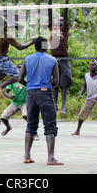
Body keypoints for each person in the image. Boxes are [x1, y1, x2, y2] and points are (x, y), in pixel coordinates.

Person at [18, 36, 63, 165]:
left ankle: (27, 156)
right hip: (45, 93)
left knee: (31, 124)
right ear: (46, 46)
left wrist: (31, 86)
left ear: (35, 46)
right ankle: (51, 158)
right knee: (50, 124)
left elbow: (20, 79)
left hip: (30, 94)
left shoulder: (27, 59)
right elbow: (56, 82)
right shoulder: (52, 60)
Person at [0, 0, 35, 99]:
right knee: (16, 76)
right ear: (3, 25)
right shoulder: (7, 35)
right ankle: (0, 86)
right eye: (5, 20)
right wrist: (32, 42)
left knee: (3, 73)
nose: (6, 20)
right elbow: (20, 47)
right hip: (0, 58)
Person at [47, 0, 73, 114]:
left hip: (64, 57)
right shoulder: (52, 27)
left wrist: (66, 2)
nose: (61, 20)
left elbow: (66, 15)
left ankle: (63, 106)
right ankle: (55, 103)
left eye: (62, 20)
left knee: (64, 82)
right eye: (60, 19)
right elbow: (50, 14)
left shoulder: (65, 29)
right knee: (55, 83)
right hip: (53, 58)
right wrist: (49, 0)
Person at [0, 64, 39, 140]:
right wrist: (8, 96)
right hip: (15, 103)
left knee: (26, 116)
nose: (20, 70)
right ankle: (8, 128)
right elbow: (6, 91)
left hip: (25, 102)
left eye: (22, 68)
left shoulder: (29, 78)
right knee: (3, 117)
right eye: (19, 68)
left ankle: (34, 133)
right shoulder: (13, 79)